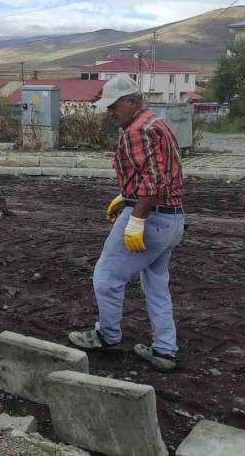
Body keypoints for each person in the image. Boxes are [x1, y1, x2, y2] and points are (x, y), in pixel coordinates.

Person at [67, 75, 186, 372]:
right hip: (172, 218)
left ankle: (107, 336)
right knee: (156, 284)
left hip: (151, 217)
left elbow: (153, 181)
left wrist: (136, 219)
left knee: (106, 277)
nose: (110, 113)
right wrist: (126, 196)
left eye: (114, 106)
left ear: (131, 101)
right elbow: (162, 172)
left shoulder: (137, 130)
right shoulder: (157, 123)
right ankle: (165, 350)